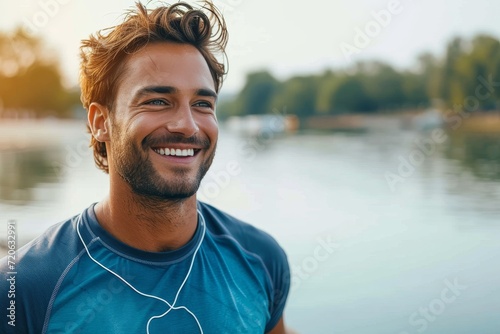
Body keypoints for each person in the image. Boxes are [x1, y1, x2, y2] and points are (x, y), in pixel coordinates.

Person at [0, 2, 290, 333]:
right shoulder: (24, 287)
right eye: (157, 101)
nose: (187, 125)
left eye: (202, 104)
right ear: (100, 122)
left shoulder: (260, 259)